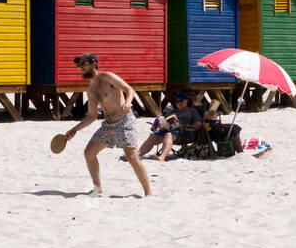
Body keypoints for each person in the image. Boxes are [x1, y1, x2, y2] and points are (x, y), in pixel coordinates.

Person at [59, 53, 152, 197]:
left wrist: (128, 102)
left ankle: (148, 192)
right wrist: (74, 130)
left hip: (124, 120)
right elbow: (91, 116)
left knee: (131, 156)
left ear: (93, 64)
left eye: (83, 64)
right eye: (79, 66)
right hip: (108, 125)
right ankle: (98, 188)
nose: (80, 68)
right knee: (89, 153)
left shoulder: (107, 77)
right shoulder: (90, 90)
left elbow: (129, 89)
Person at [139, 90, 203, 161]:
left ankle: (162, 157)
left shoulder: (192, 111)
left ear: (187, 101)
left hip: (184, 134)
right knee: (153, 136)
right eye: (177, 101)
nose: (179, 103)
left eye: (181, 100)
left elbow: (198, 125)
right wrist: (158, 126)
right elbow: (165, 123)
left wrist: (182, 126)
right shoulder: (172, 112)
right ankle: (137, 155)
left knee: (168, 135)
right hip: (168, 132)